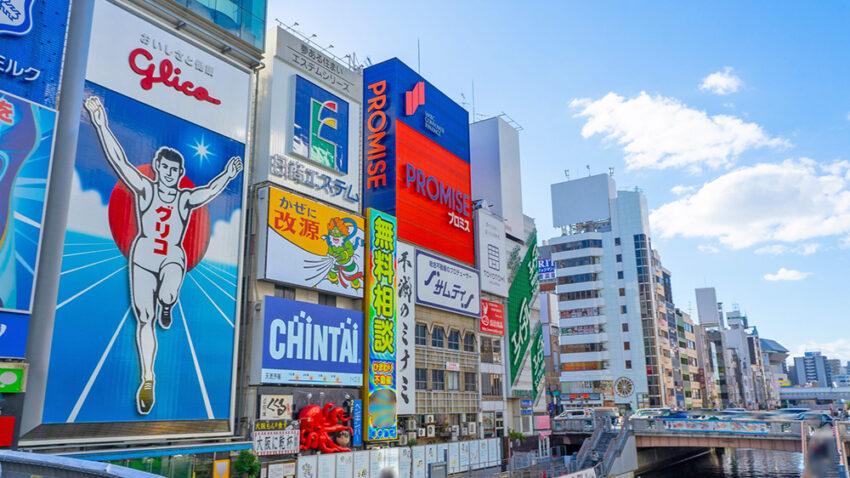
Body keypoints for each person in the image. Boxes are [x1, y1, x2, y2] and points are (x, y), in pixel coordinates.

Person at [84, 96, 243, 415]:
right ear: (158, 168)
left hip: (172, 256)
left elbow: (210, 192)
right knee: (144, 318)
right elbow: (119, 162)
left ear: (180, 171)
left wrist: (228, 174)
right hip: (142, 256)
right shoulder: (145, 189)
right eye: (165, 167)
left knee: (169, 289)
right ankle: (148, 378)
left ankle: (168, 302)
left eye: (175, 169)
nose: (169, 172)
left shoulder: (184, 199)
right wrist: (100, 123)